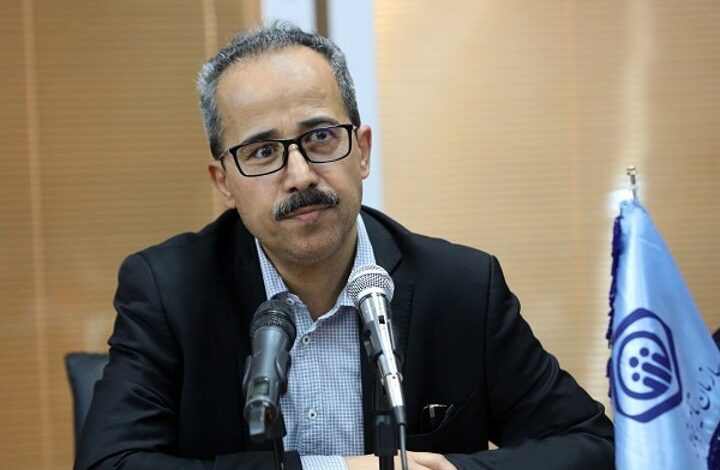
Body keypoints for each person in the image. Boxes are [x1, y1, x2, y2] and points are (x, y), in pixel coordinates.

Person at [76, 23, 614, 470]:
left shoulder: (462, 288)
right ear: (224, 183)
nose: (300, 175)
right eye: (263, 151)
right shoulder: (170, 291)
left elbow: (592, 445)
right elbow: (109, 463)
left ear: (362, 152)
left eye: (321, 137)